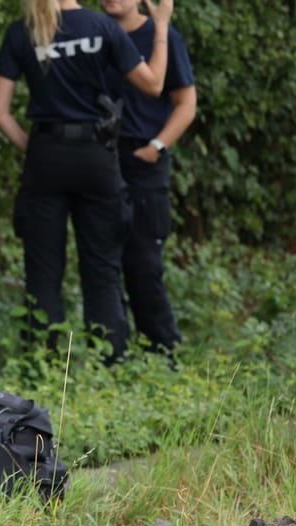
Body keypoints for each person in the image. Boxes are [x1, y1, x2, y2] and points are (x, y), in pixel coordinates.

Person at [0, 0, 175, 363]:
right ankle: (109, 360)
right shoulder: (102, 28)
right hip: (96, 156)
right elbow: (153, 85)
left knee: (42, 270)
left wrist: (36, 149)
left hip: (45, 156)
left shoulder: (22, 31)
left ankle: (43, 363)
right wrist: (163, 28)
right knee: (102, 266)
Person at [103, 0, 195, 353]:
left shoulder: (163, 36)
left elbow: (186, 102)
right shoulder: (95, 34)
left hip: (144, 160)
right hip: (101, 160)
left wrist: (157, 146)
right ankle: (114, 351)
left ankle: (163, 348)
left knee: (143, 259)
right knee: (105, 260)